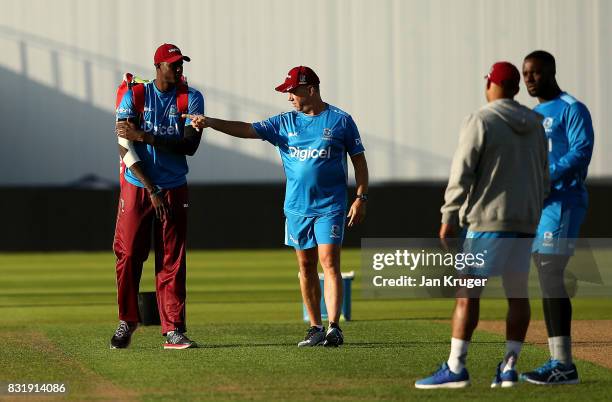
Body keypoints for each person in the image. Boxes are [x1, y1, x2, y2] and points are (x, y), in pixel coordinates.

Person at [186, 66, 369, 347]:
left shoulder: (341, 120)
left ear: (310, 89)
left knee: (330, 262)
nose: (289, 97)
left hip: (330, 205)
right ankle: (315, 326)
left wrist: (361, 197)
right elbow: (247, 129)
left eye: (292, 91)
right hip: (296, 207)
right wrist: (210, 122)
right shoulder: (284, 123)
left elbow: (358, 160)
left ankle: (334, 327)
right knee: (305, 265)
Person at [415, 62, 549, 388]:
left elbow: (462, 171)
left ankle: (456, 367)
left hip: (488, 221)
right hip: (526, 221)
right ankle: (509, 367)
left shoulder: (481, 119)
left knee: (467, 294)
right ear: (516, 88)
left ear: (490, 84)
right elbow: (544, 175)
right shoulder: (535, 123)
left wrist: (449, 216)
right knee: (517, 295)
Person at [111, 43, 204, 349]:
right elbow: (125, 147)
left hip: (175, 185)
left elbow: (188, 145)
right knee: (128, 255)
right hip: (138, 185)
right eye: (173, 65)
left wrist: (147, 136)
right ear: (158, 66)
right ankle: (128, 320)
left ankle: (173, 329)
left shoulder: (191, 98)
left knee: (172, 260)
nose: (179, 70)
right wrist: (151, 189)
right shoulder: (135, 95)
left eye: (181, 65)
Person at [520, 50, 594, 385]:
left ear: (550, 72)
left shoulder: (572, 108)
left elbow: (581, 151)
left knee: (550, 272)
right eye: (525, 73)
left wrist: (547, 175)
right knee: (546, 272)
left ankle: (564, 365)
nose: (529, 79)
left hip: (563, 200)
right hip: (541, 204)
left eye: (535, 72)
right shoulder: (534, 115)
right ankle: (558, 362)